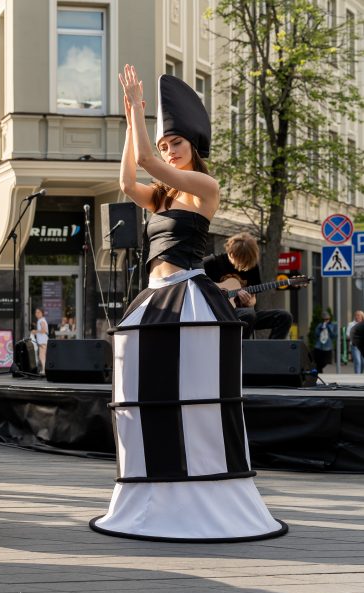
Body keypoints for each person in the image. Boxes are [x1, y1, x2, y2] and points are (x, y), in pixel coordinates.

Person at [89, 66, 285, 542]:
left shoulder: (205, 188)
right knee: (147, 394)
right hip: (155, 299)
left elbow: (148, 166)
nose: (167, 150)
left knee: (194, 396)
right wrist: (132, 118)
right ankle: (154, 488)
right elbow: (127, 178)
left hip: (189, 299)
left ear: (192, 147)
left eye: (175, 143)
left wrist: (138, 110)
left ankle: (202, 491)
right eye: (163, 144)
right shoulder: (162, 197)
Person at [203, 233, 293, 339]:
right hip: (217, 314)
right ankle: (240, 351)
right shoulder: (212, 262)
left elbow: (253, 300)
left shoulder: (252, 267)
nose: (244, 265)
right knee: (248, 314)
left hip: (244, 315)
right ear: (232, 253)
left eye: (247, 261)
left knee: (284, 316)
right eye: (242, 260)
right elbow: (192, 282)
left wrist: (248, 301)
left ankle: (271, 353)